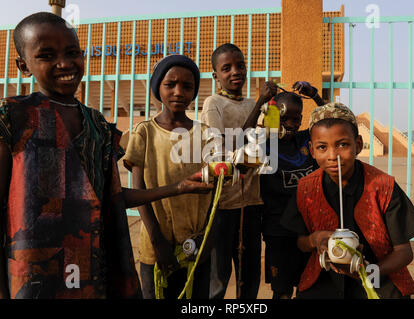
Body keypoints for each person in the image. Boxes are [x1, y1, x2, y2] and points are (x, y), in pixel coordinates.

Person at [0, 12, 212, 299]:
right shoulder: (13, 118)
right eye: (47, 55)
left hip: (94, 270)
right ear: (23, 66)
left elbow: (111, 198)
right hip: (35, 278)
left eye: (72, 52)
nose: (64, 63)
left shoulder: (97, 126)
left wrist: (177, 188)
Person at [281, 102, 414, 299]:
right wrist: (314, 239)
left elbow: (404, 252)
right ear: (312, 150)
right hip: (325, 277)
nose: (333, 156)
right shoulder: (306, 188)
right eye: (322, 147)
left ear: (358, 145)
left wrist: (368, 272)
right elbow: (300, 242)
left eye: (343, 145)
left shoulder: (383, 186)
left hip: (378, 275)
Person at [123, 54, 214, 299]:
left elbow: (215, 189)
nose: (178, 92)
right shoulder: (144, 132)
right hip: (156, 245)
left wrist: (206, 238)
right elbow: (138, 190)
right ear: (157, 88)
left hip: (196, 244)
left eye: (187, 86)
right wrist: (157, 241)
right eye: (170, 84)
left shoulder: (204, 134)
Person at [201, 43, 277, 299]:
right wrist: (261, 104)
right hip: (223, 206)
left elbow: (266, 143)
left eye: (240, 65)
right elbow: (229, 149)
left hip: (252, 205)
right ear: (216, 76)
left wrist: (273, 111)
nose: (235, 72)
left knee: (249, 277)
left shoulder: (252, 104)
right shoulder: (214, 104)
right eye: (226, 68)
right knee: (219, 277)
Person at [256, 82, 324, 299]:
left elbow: (333, 121)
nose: (291, 124)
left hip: (307, 228)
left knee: (307, 286)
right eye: (284, 118)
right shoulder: (264, 146)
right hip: (278, 229)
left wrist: (315, 96)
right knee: (282, 290)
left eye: (296, 119)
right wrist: (263, 103)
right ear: (275, 117)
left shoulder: (305, 140)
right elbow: (241, 140)